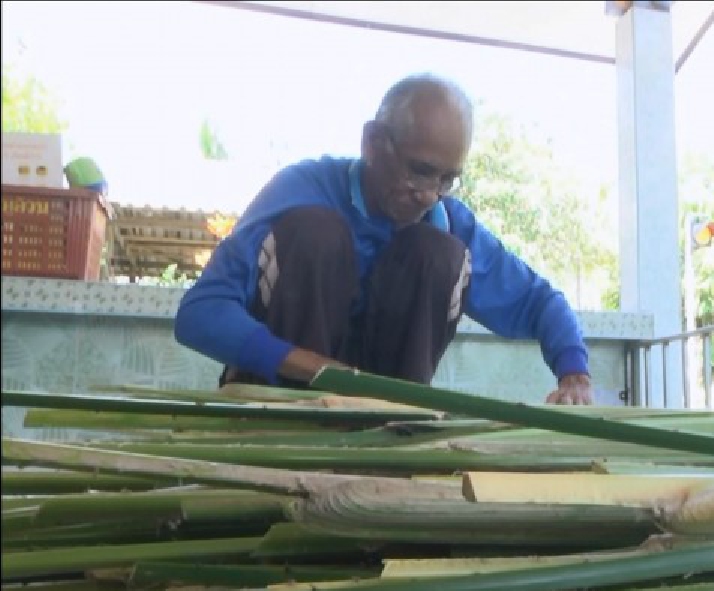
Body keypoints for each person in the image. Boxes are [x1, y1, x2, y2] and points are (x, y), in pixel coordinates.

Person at [174, 73, 594, 405]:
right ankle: (292, 419)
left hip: (381, 413)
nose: (430, 193)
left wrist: (574, 373)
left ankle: (398, 424)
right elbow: (200, 313)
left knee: (439, 253)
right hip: (281, 401)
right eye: (420, 170)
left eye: (447, 179)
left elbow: (542, 302)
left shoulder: (446, 219)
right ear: (373, 143)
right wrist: (314, 370)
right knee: (315, 232)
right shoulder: (301, 188)